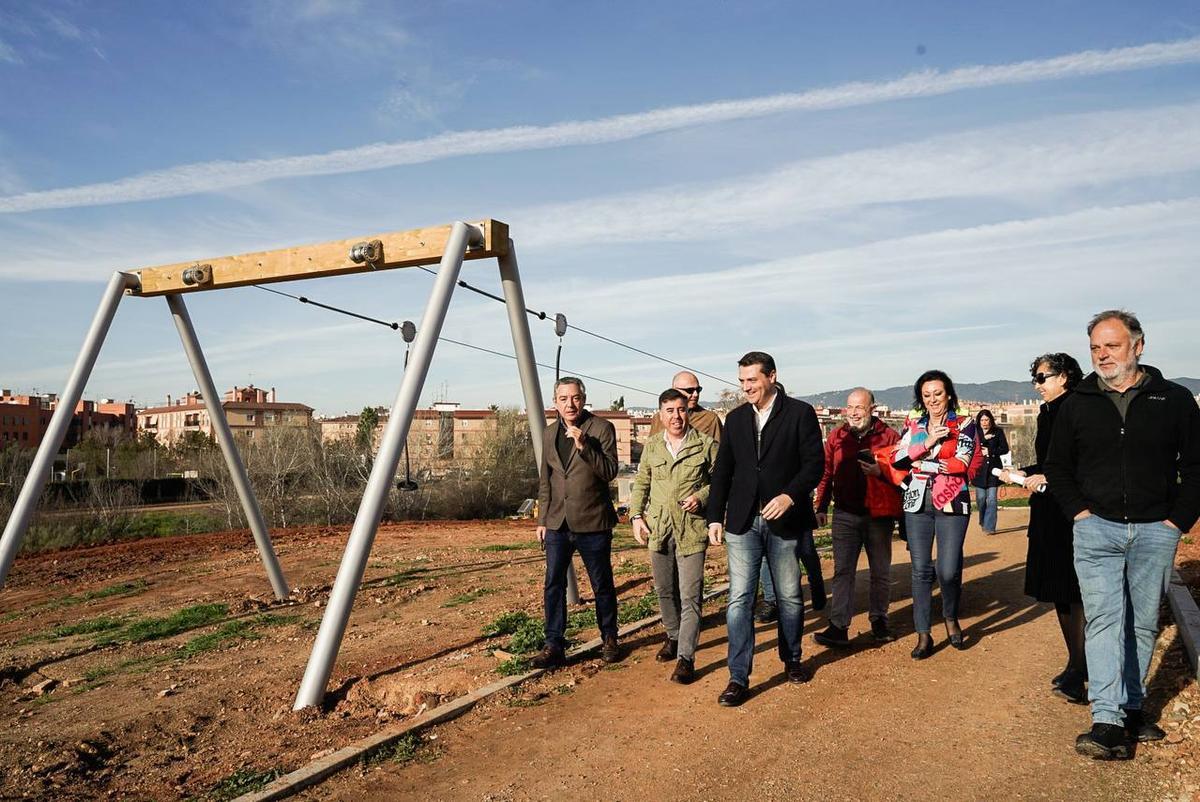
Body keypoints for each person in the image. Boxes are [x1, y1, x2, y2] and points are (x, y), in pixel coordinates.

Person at [1044, 311, 1200, 759]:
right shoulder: (1078, 403)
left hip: (1156, 529)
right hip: (1097, 530)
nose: (1102, 355)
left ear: (1138, 345)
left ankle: (1132, 707)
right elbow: (1058, 466)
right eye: (1095, 347)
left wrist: (1177, 522)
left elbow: (1196, 466)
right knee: (1106, 620)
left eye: (1111, 345)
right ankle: (1107, 720)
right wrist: (1080, 514)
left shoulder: (1173, 400)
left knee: (1144, 621)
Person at [706, 352, 825, 707]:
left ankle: (792, 659)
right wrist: (715, 516)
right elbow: (723, 471)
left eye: (752, 380)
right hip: (742, 522)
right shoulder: (737, 419)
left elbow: (814, 465)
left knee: (788, 596)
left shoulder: (800, 413)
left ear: (771, 376)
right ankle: (737, 677)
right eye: (742, 381)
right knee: (739, 600)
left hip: (785, 520)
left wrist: (790, 495)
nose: (746, 388)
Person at [1000, 352, 1087, 703]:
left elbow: (1082, 460)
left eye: (1042, 378)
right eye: (1035, 379)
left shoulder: (1076, 409)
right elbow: (1052, 461)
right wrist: (1023, 473)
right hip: (1049, 509)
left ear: (1064, 376)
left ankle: (1082, 670)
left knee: (1071, 590)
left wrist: (1046, 475)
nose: (1037, 385)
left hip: (1068, 512)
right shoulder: (1050, 411)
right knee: (1060, 591)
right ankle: (1075, 664)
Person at [531, 377, 622, 669]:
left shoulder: (601, 428)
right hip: (558, 522)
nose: (570, 404)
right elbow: (546, 480)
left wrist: (584, 445)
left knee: (602, 584)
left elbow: (609, 472)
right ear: (555, 401)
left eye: (575, 398)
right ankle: (553, 645)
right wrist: (543, 518)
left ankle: (609, 638)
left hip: (593, 520)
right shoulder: (547, 434)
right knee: (553, 585)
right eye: (563, 399)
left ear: (583, 399)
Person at [630, 388, 720, 684]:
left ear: (687, 411)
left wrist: (702, 497)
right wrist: (636, 516)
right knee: (664, 591)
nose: (676, 416)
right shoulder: (653, 445)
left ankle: (685, 658)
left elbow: (720, 482)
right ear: (660, 414)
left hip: (691, 529)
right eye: (669, 411)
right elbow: (642, 482)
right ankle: (672, 635)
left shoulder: (705, 445)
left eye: (681, 410)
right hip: (659, 528)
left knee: (691, 596)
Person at [893, 370, 980, 660]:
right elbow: (900, 459)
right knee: (920, 570)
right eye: (926, 395)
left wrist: (923, 460)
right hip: (917, 502)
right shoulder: (913, 423)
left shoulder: (965, 423)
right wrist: (928, 443)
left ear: (949, 394)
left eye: (938, 394)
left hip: (953, 501)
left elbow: (962, 463)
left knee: (948, 569)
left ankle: (950, 615)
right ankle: (923, 634)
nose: (932, 400)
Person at [811, 388, 901, 647]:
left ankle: (879, 621)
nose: (853, 412)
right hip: (845, 514)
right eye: (849, 407)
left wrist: (880, 472)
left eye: (859, 407)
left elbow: (902, 476)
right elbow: (826, 472)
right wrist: (821, 506)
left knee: (880, 571)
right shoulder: (837, 437)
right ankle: (838, 626)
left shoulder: (890, 436)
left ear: (872, 408)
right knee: (843, 572)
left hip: (878, 515)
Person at [647, 370, 723, 443]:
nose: (695, 394)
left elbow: (720, 452)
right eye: (690, 390)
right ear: (675, 390)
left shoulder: (709, 419)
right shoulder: (658, 419)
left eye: (698, 390)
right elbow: (650, 449)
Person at [971, 409, 1009, 535]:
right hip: (979, 470)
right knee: (981, 499)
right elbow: (970, 447)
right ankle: (983, 520)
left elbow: (1004, 449)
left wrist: (991, 451)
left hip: (993, 470)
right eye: (982, 420)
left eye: (987, 420)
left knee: (992, 499)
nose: (984, 422)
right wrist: (983, 439)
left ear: (991, 420)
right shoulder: (975, 433)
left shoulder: (998, 432)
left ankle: (990, 527)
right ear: (978, 421)